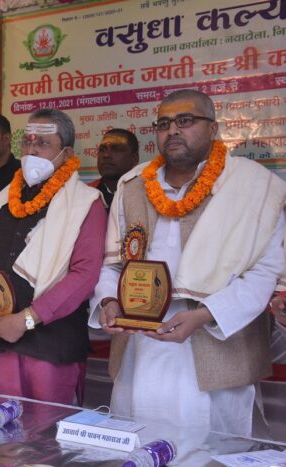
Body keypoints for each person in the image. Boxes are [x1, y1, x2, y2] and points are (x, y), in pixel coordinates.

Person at [90, 90, 285, 436]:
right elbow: (113, 263)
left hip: (218, 344)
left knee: (214, 448)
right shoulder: (132, 185)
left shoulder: (255, 185)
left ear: (213, 129)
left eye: (186, 120)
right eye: (163, 124)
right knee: (139, 441)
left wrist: (206, 315)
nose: (173, 131)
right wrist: (108, 301)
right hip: (140, 346)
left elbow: (266, 271)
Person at [0, 109, 106, 403]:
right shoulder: (0, 201)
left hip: (49, 349)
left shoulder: (86, 203)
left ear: (66, 153)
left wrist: (26, 320)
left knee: (44, 430)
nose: (32, 150)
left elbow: (84, 275)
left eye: (43, 143)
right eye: (27, 142)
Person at [88, 129, 139, 210]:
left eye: (116, 149)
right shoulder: (86, 192)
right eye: (102, 150)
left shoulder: (145, 193)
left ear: (134, 158)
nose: (106, 155)